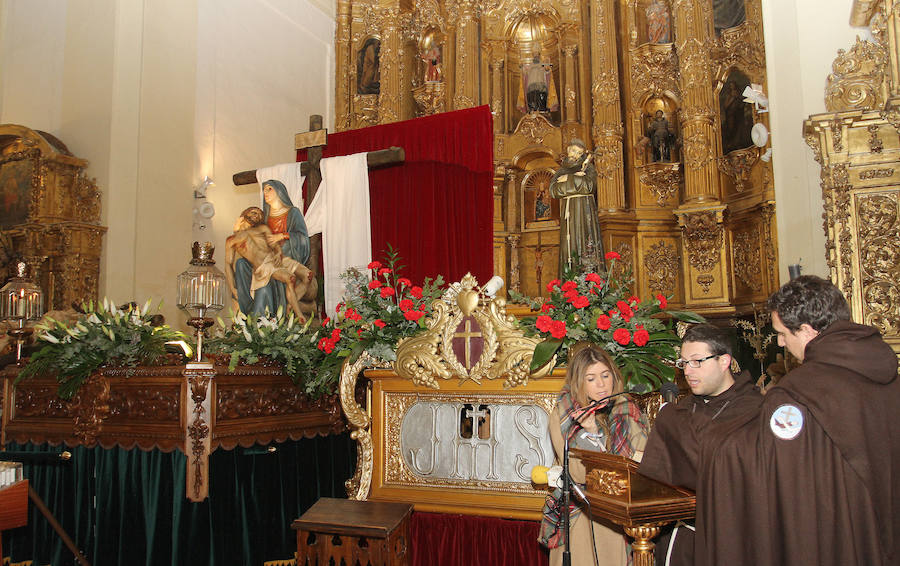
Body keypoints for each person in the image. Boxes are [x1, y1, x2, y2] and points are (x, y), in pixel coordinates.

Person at [693, 276, 900, 566]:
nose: (779, 342)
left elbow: (776, 464)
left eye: (781, 333)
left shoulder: (801, 390)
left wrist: (715, 442)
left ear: (805, 330)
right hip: (883, 528)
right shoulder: (885, 370)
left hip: (837, 539)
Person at [639, 323, 762, 566]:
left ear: (724, 361)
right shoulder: (681, 411)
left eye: (697, 361)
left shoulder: (754, 410)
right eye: (684, 363)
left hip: (734, 535)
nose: (688, 371)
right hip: (683, 535)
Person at [539, 343, 649, 566]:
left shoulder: (626, 408)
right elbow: (579, 473)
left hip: (622, 514)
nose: (601, 385)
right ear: (579, 382)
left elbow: (642, 459)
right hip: (582, 513)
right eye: (591, 379)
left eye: (606, 375)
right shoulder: (565, 414)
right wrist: (591, 432)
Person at [232, 180, 311, 316]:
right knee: (241, 264)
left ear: (279, 191)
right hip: (266, 260)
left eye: (269, 189)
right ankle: (253, 309)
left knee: (307, 276)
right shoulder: (263, 217)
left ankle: (290, 305)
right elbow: (248, 238)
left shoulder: (293, 212)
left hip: (287, 257)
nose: (265, 192)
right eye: (264, 190)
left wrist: (282, 236)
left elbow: (302, 238)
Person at [225, 206, 316, 322]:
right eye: (254, 212)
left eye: (259, 214)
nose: (257, 215)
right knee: (290, 279)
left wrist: (278, 253)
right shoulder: (232, 240)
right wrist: (233, 288)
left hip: (277, 259)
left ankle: (291, 304)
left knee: (308, 275)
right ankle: (298, 314)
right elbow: (228, 264)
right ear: (244, 214)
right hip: (265, 265)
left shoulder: (262, 229)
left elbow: (275, 246)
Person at [549, 139, 603, 276]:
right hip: (568, 209)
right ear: (568, 151)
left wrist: (568, 179)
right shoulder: (562, 170)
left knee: (584, 242)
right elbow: (554, 190)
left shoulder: (588, 167)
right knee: (569, 244)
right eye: (573, 151)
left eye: (579, 153)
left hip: (584, 210)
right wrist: (574, 179)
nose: (575, 155)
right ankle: (569, 283)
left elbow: (589, 186)